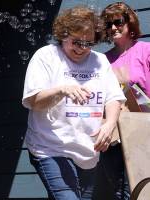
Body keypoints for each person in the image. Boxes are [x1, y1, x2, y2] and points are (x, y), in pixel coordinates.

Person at [21, 6, 126, 200]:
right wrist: (62, 89)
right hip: (50, 148)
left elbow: (114, 97)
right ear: (63, 34)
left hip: (88, 150)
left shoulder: (100, 61)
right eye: (76, 42)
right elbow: (33, 100)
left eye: (89, 43)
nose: (82, 48)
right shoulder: (47, 56)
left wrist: (110, 124)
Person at [94, 2, 150, 200]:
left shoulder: (145, 51)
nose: (113, 28)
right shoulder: (102, 60)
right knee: (119, 189)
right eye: (108, 24)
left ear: (130, 22)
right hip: (113, 131)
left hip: (141, 129)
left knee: (141, 183)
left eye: (117, 22)